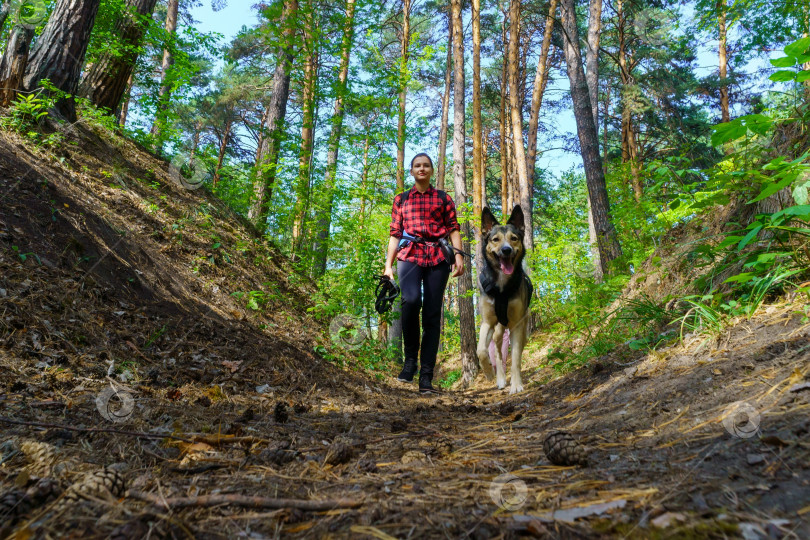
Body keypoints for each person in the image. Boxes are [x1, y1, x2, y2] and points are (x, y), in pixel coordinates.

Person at [383, 153, 465, 394]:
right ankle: (410, 363)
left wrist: (458, 256)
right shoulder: (402, 199)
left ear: (431, 170)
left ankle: (426, 376)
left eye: (426, 165)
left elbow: (453, 229)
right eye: (417, 165)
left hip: (438, 257)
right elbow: (395, 234)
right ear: (412, 171)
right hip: (408, 255)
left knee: (431, 314)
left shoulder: (443, 198)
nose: (422, 169)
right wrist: (388, 266)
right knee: (410, 301)